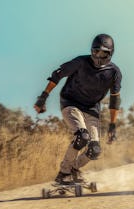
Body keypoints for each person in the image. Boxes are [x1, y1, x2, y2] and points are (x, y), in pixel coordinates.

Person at [34, 33, 122, 185]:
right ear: (91, 51)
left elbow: (115, 100)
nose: (99, 56)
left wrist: (113, 125)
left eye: (103, 53)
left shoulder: (114, 72)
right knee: (82, 136)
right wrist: (43, 97)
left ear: (110, 53)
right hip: (71, 102)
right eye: (96, 52)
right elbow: (57, 75)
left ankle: (75, 169)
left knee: (94, 149)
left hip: (92, 108)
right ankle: (63, 173)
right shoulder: (80, 62)